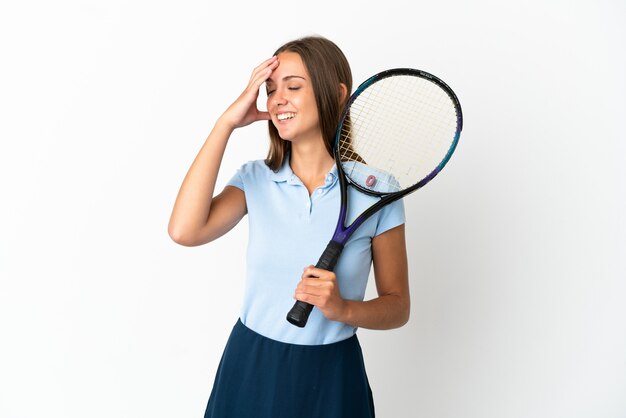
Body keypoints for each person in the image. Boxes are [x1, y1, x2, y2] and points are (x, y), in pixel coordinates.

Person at [168, 36, 410, 418]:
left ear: (337, 92)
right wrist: (225, 123)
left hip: (333, 376)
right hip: (251, 366)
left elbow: (398, 307)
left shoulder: (377, 192)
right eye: (270, 89)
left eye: (293, 86)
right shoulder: (255, 179)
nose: (277, 98)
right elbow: (184, 231)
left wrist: (343, 308)